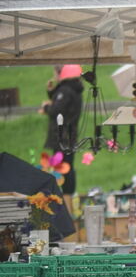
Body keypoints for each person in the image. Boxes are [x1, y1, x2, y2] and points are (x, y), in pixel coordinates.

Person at [41, 64, 84, 197]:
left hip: (62, 136)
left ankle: (64, 196)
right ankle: (68, 194)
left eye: (55, 72)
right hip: (70, 134)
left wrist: (46, 108)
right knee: (67, 166)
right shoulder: (74, 88)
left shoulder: (65, 90)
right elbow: (62, 104)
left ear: (61, 73)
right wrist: (51, 92)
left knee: (63, 167)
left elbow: (56, 110)